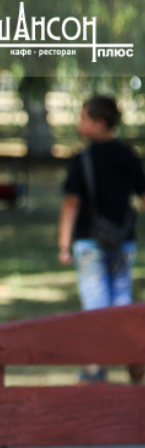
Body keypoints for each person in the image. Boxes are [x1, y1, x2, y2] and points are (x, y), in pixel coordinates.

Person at [58, 95, 145, 384]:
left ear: (99, 123)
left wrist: (63, 244)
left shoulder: (83, 159)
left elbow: (71, 203)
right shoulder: (129, 156)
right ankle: (134, 350)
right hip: (123, 240)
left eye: (84, 118)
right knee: (121, 299)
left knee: (95, 302)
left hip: (90, 241)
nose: (79, 124)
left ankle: (95, 366)